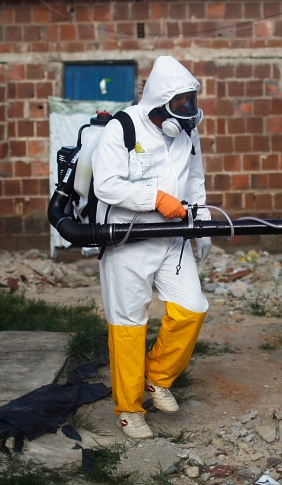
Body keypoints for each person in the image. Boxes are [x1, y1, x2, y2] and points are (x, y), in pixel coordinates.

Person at [91, 55, 212, 439]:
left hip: (172, 237)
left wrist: (202, 223)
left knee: (192, 308)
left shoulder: (187, 134)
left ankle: (157, 376)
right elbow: (105, 184)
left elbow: (195, 181)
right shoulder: (122, 128)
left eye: (191, 101)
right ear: (161, 100)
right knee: (128, 324)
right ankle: (129, 409)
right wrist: (154, 198)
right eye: (181, 103)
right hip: (127, 238)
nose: (188, 111)